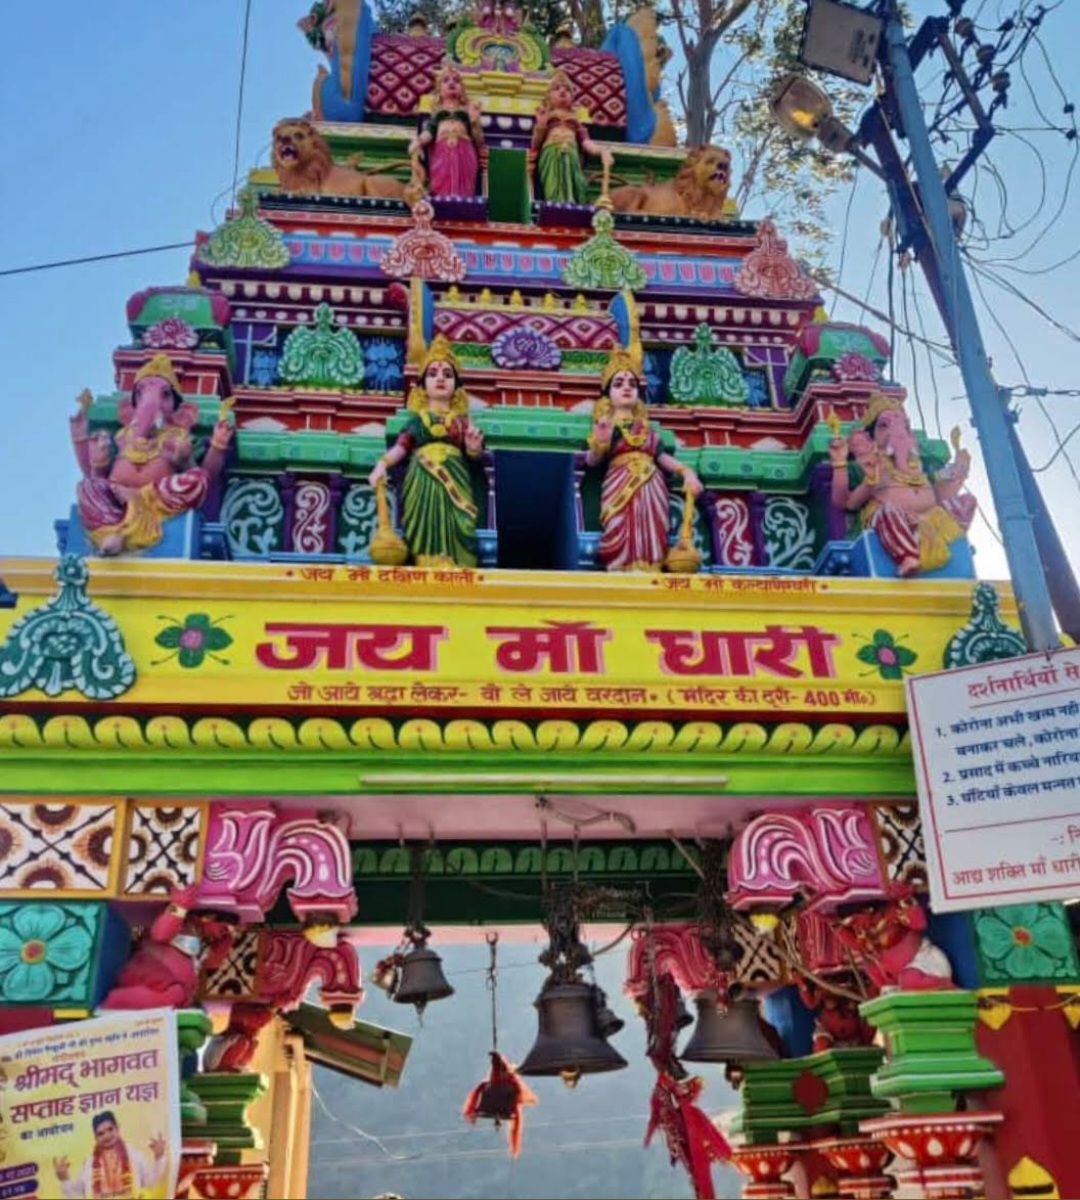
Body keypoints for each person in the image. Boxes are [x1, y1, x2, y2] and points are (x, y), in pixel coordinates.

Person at [368, 335, 484, 567]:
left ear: (457, 387)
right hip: (422, 475)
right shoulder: (417, 422)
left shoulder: (461, 422)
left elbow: (474, 452)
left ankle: (456, 560)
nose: (440, 378)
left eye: (447, 375)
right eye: (432, 374)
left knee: (459, 520)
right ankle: (425, 560)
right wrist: (382, 464)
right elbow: (400, 449)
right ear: (422, 386)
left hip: (455, 474)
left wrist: (473, 449)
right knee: (425, 518)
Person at [830, 394, 975, 576]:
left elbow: (941, 496)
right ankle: (907, 556)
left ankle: (950, 545)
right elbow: (847, 503)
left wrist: (960, 471)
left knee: (967, 501)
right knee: (889, 511)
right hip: (891, 519)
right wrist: (840, 463)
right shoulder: (869, 463)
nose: (898, 433)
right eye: (884, 425)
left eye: (904, 426)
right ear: (872, 435)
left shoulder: (922, 464)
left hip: (930, 519)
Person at [585, 350, 703, 571]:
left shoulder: (645, 429)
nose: (627, 387)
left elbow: (662, 457)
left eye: (632, 383)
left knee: (652, 524)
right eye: (618, 383)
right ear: (608, 393)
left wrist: (687, 472)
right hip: (619, 480)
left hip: (651, 482)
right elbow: (591, 462)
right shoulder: (605, 424)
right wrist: (599, 442)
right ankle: (622, 566)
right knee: (620, 522)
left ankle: (650, 565)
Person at [530, 69, 612, 204]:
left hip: (571, 155)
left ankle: (570, 206)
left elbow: (586, 143)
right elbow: (535, 144)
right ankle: (555, 206)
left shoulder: (575, 120)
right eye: (556, 89)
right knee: (553, 185)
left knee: (572, 183)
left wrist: (601, 150)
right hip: (551, 153)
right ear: (548, 96)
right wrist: (541, 124)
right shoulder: (547, 116)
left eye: (567, 89)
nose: (562, 91)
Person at [409, 64, 485, 199]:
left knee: (464, 179)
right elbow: (429, 132)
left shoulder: (466, 112)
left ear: (462, 90)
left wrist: (474, 121)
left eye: (456, 81)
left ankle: (463, 202)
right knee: (442, 176)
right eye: (446, 80)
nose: (451, 82)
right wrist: (418, 141)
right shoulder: (438, 114)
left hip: (464, 150)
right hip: (442, 150)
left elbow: (479, 141)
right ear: (439, 90)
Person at [54, 1111, 166, 1200]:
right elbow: (76, 1194)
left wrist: (159, 1158)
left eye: (110, 1129)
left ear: (117, 1128)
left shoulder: (135, 1155)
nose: (107, 1136)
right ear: (95, 1137)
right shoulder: (89, 1163)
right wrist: (64, 1179)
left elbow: (150, 1182)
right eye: (101, 1133)